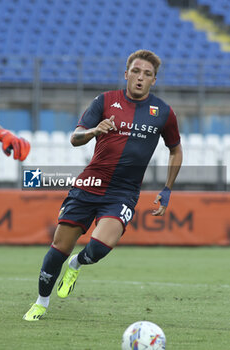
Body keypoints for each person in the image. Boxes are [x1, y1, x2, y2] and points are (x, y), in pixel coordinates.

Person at [23, 49, 183, 321]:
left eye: (147, 74)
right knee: (58, 248)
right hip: (89, 184)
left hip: (123, 192)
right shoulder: (105, 101)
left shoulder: (164, 113)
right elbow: (75, 138)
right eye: (135, 71)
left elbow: (175, 150)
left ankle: (77, 264)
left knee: (99, 248)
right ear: (126, 73)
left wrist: (167, 189)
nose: (140, 78)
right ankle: (41, 302)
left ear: (154, 80)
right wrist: (94, 131)